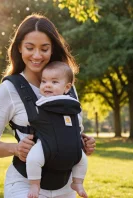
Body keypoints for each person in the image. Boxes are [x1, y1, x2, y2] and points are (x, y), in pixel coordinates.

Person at [0, 14, 96, 198]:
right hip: (24, 186)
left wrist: (82, 142)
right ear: (19, 47)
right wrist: (15, 149)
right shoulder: (9, 89)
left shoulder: (68, 86)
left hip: (65, 188)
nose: (36, 55)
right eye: (29, 48)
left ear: (52, 49)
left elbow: (70, 127)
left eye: (44, 48)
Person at [26, 61, 87, 198]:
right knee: (33, 159)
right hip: (48, 144)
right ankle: (35, 184)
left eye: (54, 82)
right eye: (44, 81)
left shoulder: (72, 105)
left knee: (82, 160)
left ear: (67, 88)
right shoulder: (41, 102)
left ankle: (77, 182)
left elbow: (78, 124)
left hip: (71, 146)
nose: (47, 85)